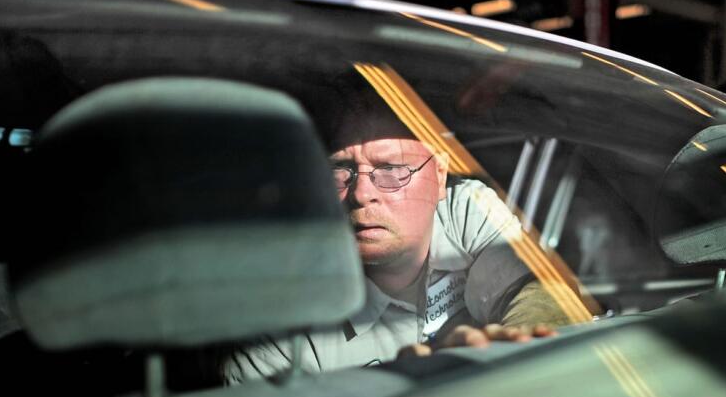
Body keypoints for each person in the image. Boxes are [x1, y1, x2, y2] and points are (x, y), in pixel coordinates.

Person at [225, 113, 573, 382]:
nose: (361, 194)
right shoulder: (280, 326)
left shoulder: (462, 211)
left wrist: (514, 343)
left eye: (391, 169)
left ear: (439, 177)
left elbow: (537, 289)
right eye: (340, 172)